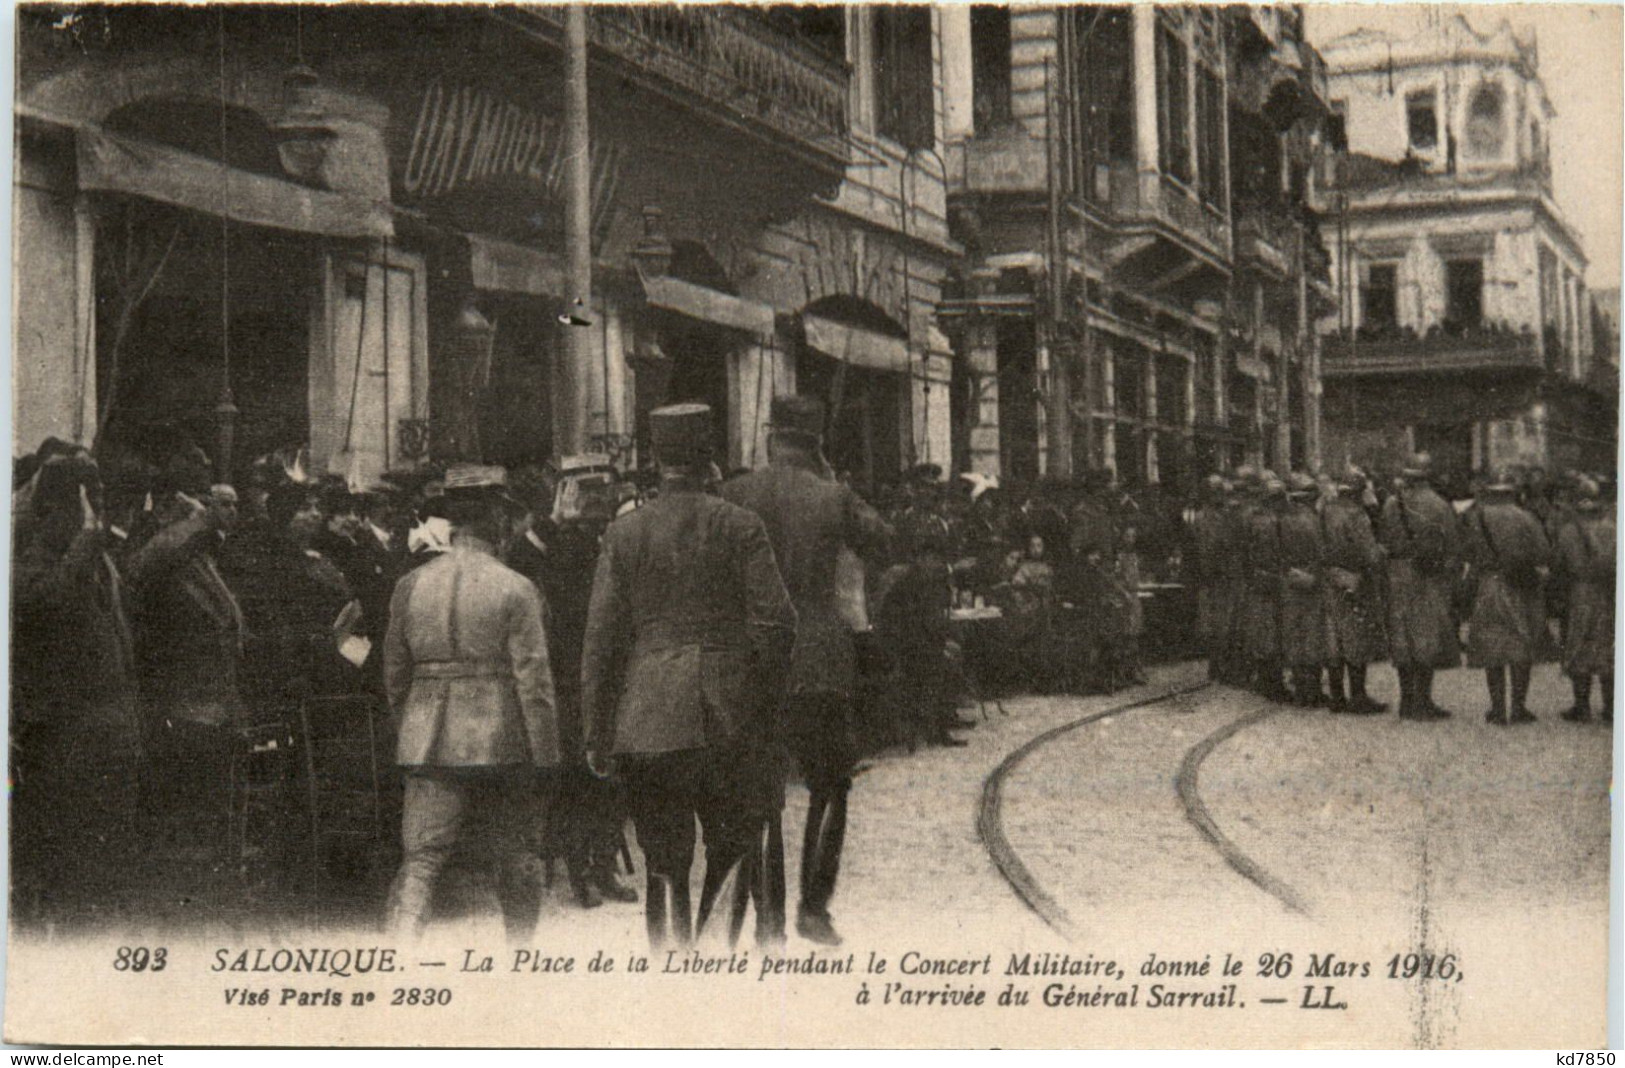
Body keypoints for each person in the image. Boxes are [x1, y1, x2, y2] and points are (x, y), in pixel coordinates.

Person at [581, 403, 795, 949]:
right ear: (710, 460)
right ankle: (717, 962)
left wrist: (597, 732)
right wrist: (762, 704)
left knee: (664, 861)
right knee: (734, 848)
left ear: (655, 459)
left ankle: (672, 973)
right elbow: (776, 622)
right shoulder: (741, 525)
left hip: (647, 719)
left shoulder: (623, 534)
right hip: (730, 716)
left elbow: (601, 643)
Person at [720, 394, 892, 946]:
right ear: (815, 445)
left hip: (754, 662)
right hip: (819, 661)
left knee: (757, 791)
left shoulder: (734, 493)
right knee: (830, 785)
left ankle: (767, 919)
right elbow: (882, 540)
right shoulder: (834, 496)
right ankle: (813, 910)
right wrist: (834, 481)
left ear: (771, 438)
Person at [382, 464, 558, 941]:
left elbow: (395, 674)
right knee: (517, 856)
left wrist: (412, 727)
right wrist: (545, 754)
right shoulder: (517, 588)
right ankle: (519, 963)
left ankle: (398, 963)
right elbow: (534, 682)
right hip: (499, 738)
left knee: (421, 861)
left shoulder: (410, 585)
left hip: (426, 737)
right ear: (499, 519)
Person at [11, 453, 143, 924]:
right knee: (69, 885)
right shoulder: (27, 568)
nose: (96, 519)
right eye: (87, 506)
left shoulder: (93, 564)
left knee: (104, 883)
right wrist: (87, 540)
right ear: (52, 512)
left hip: (108, 743)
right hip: (62, 751)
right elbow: (48, 604)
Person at [506, 483, 637, 910]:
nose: (595, 515)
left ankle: (603, 867)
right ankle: (581, 871)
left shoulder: (619, 544)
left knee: (613, 778)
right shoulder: (557, 549)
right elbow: (519, 561)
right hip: (570, 677)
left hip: (614, 676)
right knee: (579, 779)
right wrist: (554, 522)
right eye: (587, 508)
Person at [125, 469, 248, 865]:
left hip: (211, 696)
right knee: (183, 799)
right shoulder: (164, 550)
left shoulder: (197, 554)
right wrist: (196, 522)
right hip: (182, 695)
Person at [1462, 469, 1553, 726]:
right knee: (1520, 645)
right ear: (1513, 492)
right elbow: (1544, 552)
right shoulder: (1526, 518)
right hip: (1520, 587)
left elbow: (1467, 552)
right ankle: (1519, 708)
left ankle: (1498, 709)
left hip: (1488, 585)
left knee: (1492, 648)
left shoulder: (1475, 518)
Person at [1378, 454, 1461, 721]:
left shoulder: (1391, 504)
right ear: (1428, 476)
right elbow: (1452, 545)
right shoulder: (1439, 505)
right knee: (1426, 634)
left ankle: (1406, 700)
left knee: (1402, 635)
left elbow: (1384, 538)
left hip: (1397, 573)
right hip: (1429, 575)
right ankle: (1423, 701)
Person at [1319, 468, 1387, 714]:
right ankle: (1358, 696)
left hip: (1329, 576)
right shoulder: (1357, 515)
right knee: (1356, 636)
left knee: (1333, 636)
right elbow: (1369, 552)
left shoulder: (1325, 510)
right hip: (1354, 578)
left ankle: (1337, 696)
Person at [1555, 477, 1614, 723]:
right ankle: (1611, 707)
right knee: (1607, 645)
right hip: (1607, 593)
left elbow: (1558, 564)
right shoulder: (1612, 529)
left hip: (1579, 592)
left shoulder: (1568, 531)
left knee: (1578, 643)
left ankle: (1581, 706)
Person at [1242, 474, 1291, 703]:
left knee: (1262, 632)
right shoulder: (1277, 521)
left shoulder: (1252, 518)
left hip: (1257, 579)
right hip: (1273, 579)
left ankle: (1263, 679)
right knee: (1274, 632)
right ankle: (1273, 683)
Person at [1279, 473, 1327, 706]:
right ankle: (1313, 690)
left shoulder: (1282, 519)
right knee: (1313, 636)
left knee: (1294, 635)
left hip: (1288, 580)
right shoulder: (1314, 521)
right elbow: (1322, 553)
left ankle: (1300, 689)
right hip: (1311, 581)